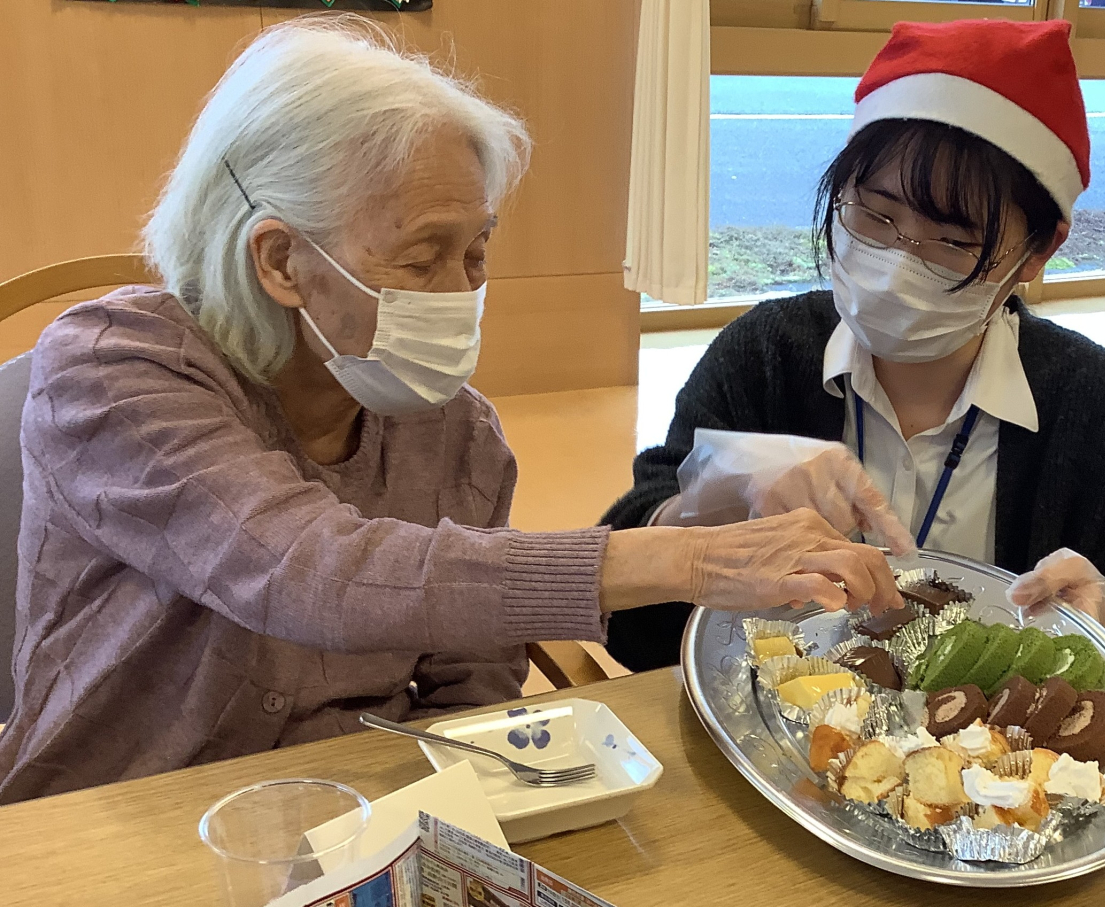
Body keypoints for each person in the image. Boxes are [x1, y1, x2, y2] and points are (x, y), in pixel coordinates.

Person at [0, 19, 903, 804]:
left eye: (476, 253)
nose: (461, 293)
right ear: (280, 260)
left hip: (358, 821)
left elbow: (472, 682)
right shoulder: (113, 367)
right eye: (422, 256)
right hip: (105, 817)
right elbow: (304, 569)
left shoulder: (458, 435)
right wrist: (687, 556)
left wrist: (437, 826)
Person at [604, 19, 1105, 730]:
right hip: (771, 753)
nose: (898, 264)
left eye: (952, 241)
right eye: (874, 215)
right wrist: (717, 498)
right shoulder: (765, 356)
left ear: (1038, 252)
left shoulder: (1091, 402)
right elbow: (629, 622)